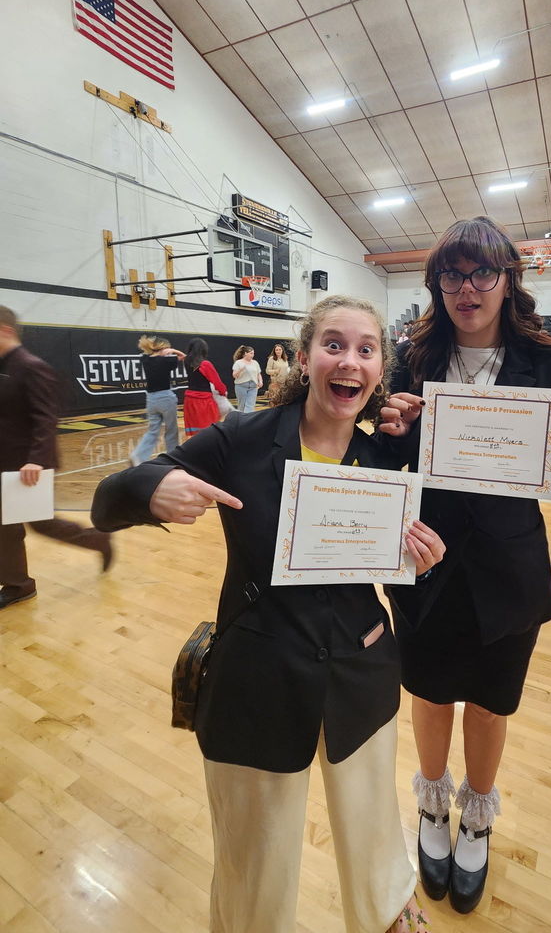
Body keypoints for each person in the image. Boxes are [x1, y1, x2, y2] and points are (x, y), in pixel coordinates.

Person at [92, 295, 445, 933]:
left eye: (366, 349)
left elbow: (403, 591)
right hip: (256, 680)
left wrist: (421, 565)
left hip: (360, 675)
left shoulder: (386, 462)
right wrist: (151, 487)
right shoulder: (242, 440)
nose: (349, 361)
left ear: (380, 368)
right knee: (254, 859)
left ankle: (390, 909)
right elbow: (105, 503)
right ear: (306, 357)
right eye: (333, 344)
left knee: (371, 829)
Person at [377, 217, 551, 914]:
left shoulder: (548, 363)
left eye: (483, 273)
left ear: (508, 280)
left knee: (489, 700)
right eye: (452, 275)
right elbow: (392, 465)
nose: (467, 288)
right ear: (436, 284)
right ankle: (431, 810)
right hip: (424, 560)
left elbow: (549, 480)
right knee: (429, 693)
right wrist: (390, 430)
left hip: (509, 566)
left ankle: (477, 814)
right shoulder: (409, 361)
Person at [0, 305, 112, 609]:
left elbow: (46, 418)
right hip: (6, 463)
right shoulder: (5, 366)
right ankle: (18, 585)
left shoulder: (30, 366)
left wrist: (36, 458)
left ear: (5, 330)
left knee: (41, 524)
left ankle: (98, 539)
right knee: (6, 526)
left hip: (27, 466)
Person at [131, 335, 186, 466]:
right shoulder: (167, 361)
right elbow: (183, 356)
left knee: (152, 431)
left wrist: (165, 352)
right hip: (165, 398)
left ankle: (137, 456)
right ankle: (172, 458)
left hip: (151, 399)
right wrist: (173, 351)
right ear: (164, 348)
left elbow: (148, 354)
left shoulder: (145, 359)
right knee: (171, 430)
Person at [232, 345, 262, 413]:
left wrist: (260, 381)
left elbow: (258, 373)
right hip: (241, 385)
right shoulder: (238, 362)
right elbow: (234, 375)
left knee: (250, 405)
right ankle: (241, 420)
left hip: (253, 386)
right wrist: (240, 370)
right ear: (245, 353)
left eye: (253, 353)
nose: (253, 355)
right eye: (251, 353)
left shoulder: (255, 363)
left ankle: (248, 420)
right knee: (241, 406)